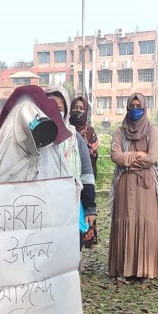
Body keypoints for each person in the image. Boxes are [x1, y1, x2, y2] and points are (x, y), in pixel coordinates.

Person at [108, 93, 158, 281]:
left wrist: (129, 157)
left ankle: (144, 270)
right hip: (124, 183)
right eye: (131, 106)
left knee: (144, 222)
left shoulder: (152, 131)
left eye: (138, 105)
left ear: (145, 108)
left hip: (147, 185)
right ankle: (123, 268)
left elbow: (152, 157)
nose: (135, 109)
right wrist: (138, 155)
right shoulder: (119, 132)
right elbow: (115, 155)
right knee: (126, 219)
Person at [44, 85, 97, 257]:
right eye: (49, 107)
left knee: (70, 255)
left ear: (66, 110)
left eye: (58, 109)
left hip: (71, 208)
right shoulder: (34, 139)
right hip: (43, 210)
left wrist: (89, 208)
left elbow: (87, 174)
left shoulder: (75, 138)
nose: (54, 112)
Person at [70, 96, 100, 248]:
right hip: (69, 183)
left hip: (86, 182)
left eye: (81, 108)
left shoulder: (90, 132)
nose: (78, 111)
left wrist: (79, 145)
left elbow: (92, 155)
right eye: (75, 107)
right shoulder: (64, 129)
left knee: (84, 218)